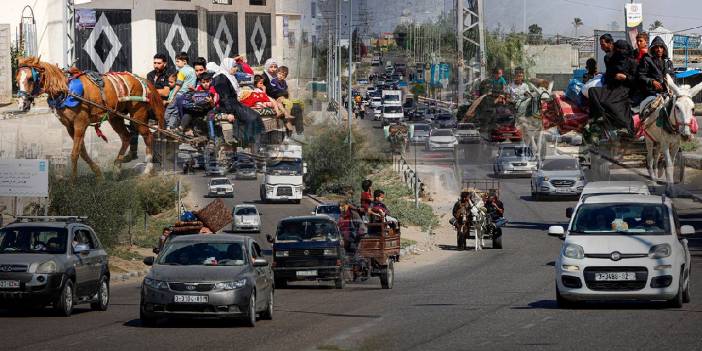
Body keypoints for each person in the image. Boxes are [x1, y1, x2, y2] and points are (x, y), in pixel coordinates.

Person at [588, 40, 636, 135]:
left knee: (609, 102)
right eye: (617, 49)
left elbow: (636, 81)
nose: (620, 52)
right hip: (611, 87)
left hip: (624, 88)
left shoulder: (632, 62)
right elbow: (608, 76)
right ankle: (600, 117)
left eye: (622, 50)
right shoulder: (612, 61)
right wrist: (613, 77)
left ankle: (624, 126)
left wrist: (625, 77)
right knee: (592, 91)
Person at [179, 71, 219, 136]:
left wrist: (211, 101)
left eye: (207, 82)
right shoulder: (199, 88)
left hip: (211, 109)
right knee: (189, 113)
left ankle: (212, 139)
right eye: (203, 82)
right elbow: (197, 97)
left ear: (211, 81)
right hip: (201, 109)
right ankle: (181, 129)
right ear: (200, 82)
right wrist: (193, 95)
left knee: (210, 116)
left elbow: (214, 106)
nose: (206, 84)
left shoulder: (213, 89)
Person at [165, 52, 197, 129]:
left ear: (184, 62)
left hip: (180, 94)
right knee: (178, 112)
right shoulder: (192, 70)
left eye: (178, 61)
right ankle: (173, 126)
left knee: (169, 110)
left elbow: (178, 85)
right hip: (189, 95)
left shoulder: (182, 71)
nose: (176, 63)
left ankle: (168, 126)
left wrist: (172, 96)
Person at [637, 36, 675, 100]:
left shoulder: (668, 62)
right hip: (650, 92)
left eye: (661, 47)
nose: (659, 49)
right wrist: (652, 81)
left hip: (666, 92)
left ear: (664, 49)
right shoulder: (647, 60)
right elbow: (641, 75)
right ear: (653, 49)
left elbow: (672, 75)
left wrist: (669, 81)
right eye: (656, 47)